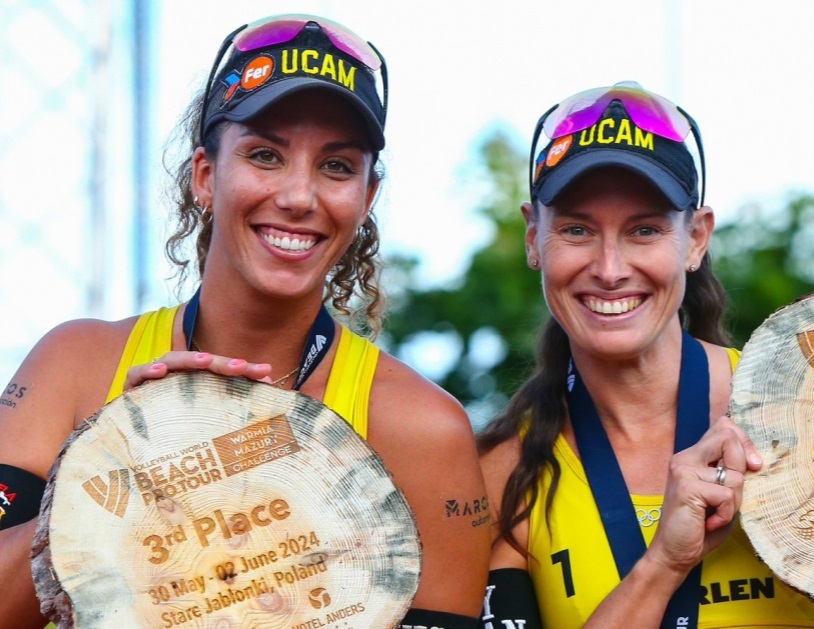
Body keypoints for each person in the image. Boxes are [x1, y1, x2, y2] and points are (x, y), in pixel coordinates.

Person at [0, 14, 489, 628]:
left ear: (366, 199)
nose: (298, 195)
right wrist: (107, 470)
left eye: (336, 166)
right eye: (265, 155)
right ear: (206, 174)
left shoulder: (420, 429)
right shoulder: (74, 366)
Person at [476, 82, 814, 628]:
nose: (610, 269)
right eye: (577, 229)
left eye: (645, 230)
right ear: (534, 238)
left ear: (697, 239)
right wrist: (665, 563)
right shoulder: (502, 473)